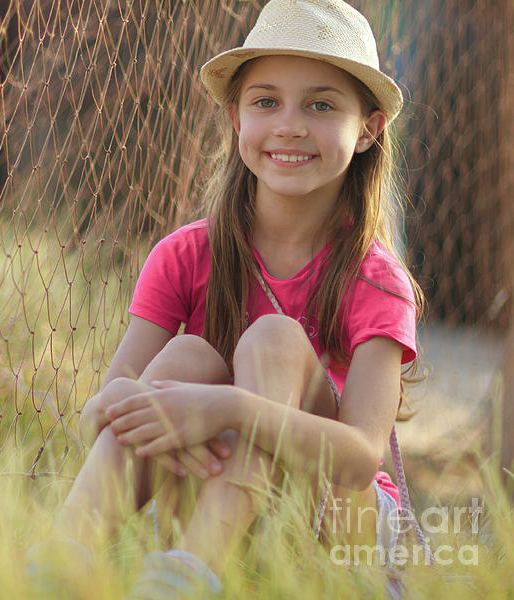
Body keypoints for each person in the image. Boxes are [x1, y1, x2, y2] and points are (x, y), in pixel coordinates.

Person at [26, 1, 424, 597]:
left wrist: (229, 411)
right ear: (236, 117)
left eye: (321, 104)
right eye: (266, 101)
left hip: (335, 529)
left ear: (367, 128)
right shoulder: (184, 256)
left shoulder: (374, 280)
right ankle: (62, 562)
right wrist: (171, 415)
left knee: (271, 339)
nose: (289, 124)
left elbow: (361, 458)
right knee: (188, 360)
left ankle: (183, 581)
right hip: (208, 486)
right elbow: (104, 413)